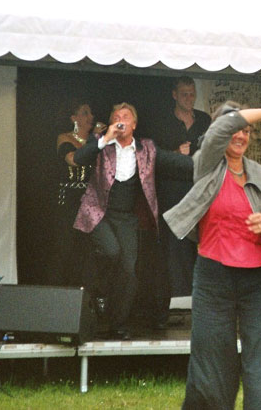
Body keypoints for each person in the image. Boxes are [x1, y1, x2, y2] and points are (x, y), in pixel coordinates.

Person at [164, 101, 261, 409]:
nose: (241, 135)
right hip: (214, 276)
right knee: (211, 360)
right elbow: (223, 126)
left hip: (257, 278)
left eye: (247, 131)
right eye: (236, 129)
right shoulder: (207, 163)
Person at [73, 102, 193, 340]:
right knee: (111, 252)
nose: (121, 120)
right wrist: (104, 138)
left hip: (126, 217)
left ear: (134, 125)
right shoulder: (101, 143)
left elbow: (173, 161)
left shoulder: (146, 148)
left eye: (126, 117)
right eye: (116, 117)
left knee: (129, 271)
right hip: (98, 212)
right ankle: (99, 292)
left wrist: (205, 163)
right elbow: (79, 157)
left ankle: (117, 323)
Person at [152, 76, 212, 328]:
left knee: (202, 248)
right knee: (171, 251)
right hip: (171, 193)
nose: (189, 98)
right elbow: (152, 156)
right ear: (174, 95)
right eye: (185, 94)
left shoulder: (205, 120)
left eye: (192, 93)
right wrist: (177, 155)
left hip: (198, 193)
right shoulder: (162, 121)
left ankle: (204, 309)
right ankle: (163, 312)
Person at [53, 101, 103, 286]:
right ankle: (61, 290)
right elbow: (73, 160)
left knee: (90, 250)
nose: (91, 117)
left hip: (91, 201)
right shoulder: (64, 138)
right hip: (70, 200)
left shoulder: (96, 141)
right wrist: (95, 139)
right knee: (67, 248)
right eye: (85, 113)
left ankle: (88, 291)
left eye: (90, 113)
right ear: (74, 118)